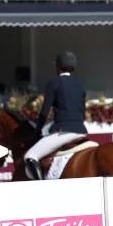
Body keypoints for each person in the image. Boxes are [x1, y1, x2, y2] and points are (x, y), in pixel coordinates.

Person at [24, 51, 88, 180]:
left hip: (64, 132)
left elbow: (44, 111)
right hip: (81, 131)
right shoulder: (80, 85)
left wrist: (37, 131)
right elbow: (82, 111)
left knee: (30, 157)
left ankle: (42, 188)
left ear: (57, 67)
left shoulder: (54, 83)